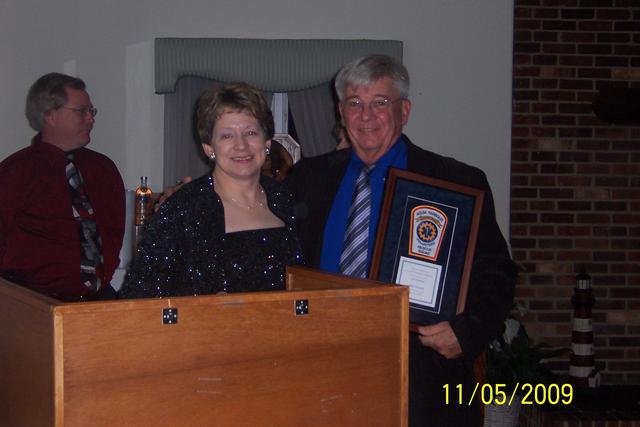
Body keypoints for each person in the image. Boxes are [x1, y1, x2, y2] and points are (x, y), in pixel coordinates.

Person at [287, 55, 517, 426]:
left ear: (404, 110)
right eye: (354, 103)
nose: (366, 116)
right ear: (341, 112)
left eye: (380, 102)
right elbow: (269, 248)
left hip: (421, 379)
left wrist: (467, 330)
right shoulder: (307, 179)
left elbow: (497, 273)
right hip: (325, 371)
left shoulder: (455, 181)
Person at [119, 82, 302, 298]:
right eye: (227, 135)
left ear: (267, 143)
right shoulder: (183, 209)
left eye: (251, 132)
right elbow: (138, 296)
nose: (241, 145)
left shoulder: (284, 198)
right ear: (208, 148)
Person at [0, 73, 125, 301]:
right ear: (50, 115)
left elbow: (113, 232)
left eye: (92, 111)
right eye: (81, 111)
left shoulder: (103, 170)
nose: (91, 119)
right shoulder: (15, 174)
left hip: (98, 300)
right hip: (35, 305)